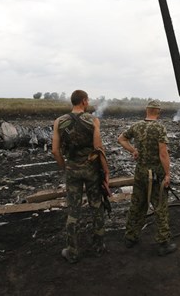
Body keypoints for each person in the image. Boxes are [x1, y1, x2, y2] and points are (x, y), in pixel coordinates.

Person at [52, 90, 109, 264]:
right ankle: (99, 246)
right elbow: (98, 148)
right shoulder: (93, 120)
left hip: (72, 169)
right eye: (88, 100)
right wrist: (106, 173)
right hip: (91, 170)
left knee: (74, 209)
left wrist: (66, 167)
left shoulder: (59, 122)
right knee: (96, 205)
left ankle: (72, 251)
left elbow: (55, 150)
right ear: (84, 101)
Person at [118, 99, 177, 256]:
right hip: (155, 174)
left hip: (140, 173)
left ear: (147, 110)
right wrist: (167, 174)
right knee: (160, 206)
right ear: (158, 111)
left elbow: (121, 139)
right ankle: (163, 242)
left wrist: (133, 150)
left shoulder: (137, 126)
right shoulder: (159, 128)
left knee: (137, 204)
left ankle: (130, 237)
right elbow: (163, 153)